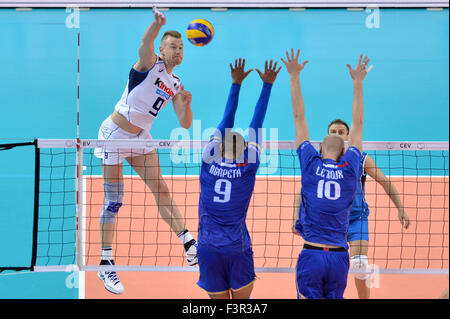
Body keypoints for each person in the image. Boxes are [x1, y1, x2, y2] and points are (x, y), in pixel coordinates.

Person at [93, 6, 197, 295]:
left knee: (161, 189)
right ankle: (105, 262)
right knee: (114, 200)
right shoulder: (149, 64)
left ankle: (189, 244)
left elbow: (185, 124)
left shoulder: (175, 83)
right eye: (172, 46)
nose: (178, 51)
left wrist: (186, 104)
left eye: (180, 48)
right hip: (114, 135)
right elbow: (145, 45)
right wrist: (156, 24)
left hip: (140, 137)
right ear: (162, 50)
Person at [283, 48, 369, 299]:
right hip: (339, 256)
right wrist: (358, 82)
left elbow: (299, 116)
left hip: (311, 253)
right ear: (346, 150)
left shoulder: (310, 163)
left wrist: (294, 76)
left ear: (319, 148)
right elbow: (358, 123)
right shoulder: (351, 167)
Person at [293, 118, 411, 299]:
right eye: (333, 131)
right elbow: (303, 191)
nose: (337, 135)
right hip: (328, 221)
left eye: (341, 132)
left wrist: (400, 208)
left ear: (348, 136)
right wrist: (296, 218)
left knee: (360, 265)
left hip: (356, 219)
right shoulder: (319, 160)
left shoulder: (361, 159)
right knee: (318, 265)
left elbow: (385, 182)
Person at [196, 58, 280, 299]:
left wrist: (235, 84)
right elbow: (256, 124)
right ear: (245, 148)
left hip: (208, 248)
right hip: (237, 248)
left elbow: (226, 123)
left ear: (219, 146)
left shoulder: (209, 161)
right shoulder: (248, 164)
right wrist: (267, 85)